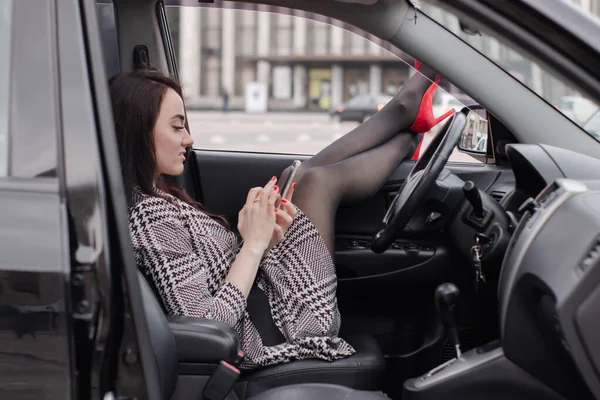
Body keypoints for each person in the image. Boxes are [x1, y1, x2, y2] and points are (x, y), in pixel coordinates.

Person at [109, 62, 453, 370]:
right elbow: (210, 324)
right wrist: (254, 245)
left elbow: (213, 272)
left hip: (263, 302)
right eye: (176, 127)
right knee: (317, 182)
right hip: (272, 330)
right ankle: (408, 131)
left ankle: (407, 121)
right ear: (138, 132)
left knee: (300, 176)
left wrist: (260, 235)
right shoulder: (149, 218)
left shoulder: (156, 195)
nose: (189, 138)